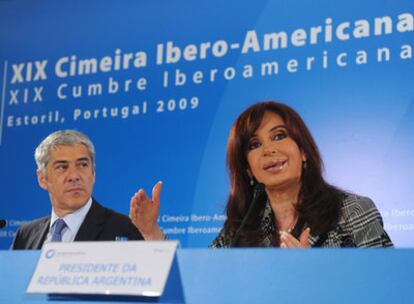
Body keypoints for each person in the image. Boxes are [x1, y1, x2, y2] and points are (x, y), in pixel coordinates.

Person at [130, 101, 393, 248]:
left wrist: (315, 276)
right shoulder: (241, 225)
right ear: (248, 168)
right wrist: (152, 233)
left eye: (279, 136)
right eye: (254, 145)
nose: (269, 150)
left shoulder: (352, 211)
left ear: (303, 152)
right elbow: (200, 279)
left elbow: (388, 290)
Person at [12, 130, 143, 250]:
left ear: (93, 174)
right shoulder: (25, 234)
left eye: (82, 165)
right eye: (62, 167)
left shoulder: (124, 228)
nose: (74, 176)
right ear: (42, 179)